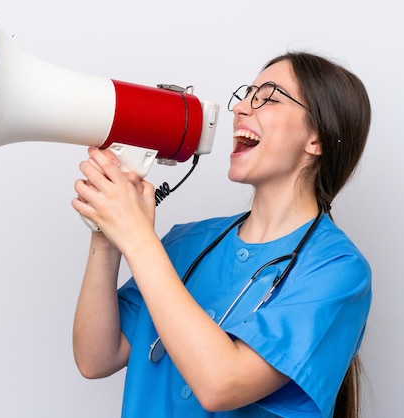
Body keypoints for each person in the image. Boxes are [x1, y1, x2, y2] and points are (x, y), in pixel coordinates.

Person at [71, 51, 372, 418]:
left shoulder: (338, 271)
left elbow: (220, 384)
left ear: (317, 139)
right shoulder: (187, 242)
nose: (241, 108)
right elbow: (95, 358)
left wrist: (136, 236)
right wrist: (106, 231)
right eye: (247, 94)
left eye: (269, 98)